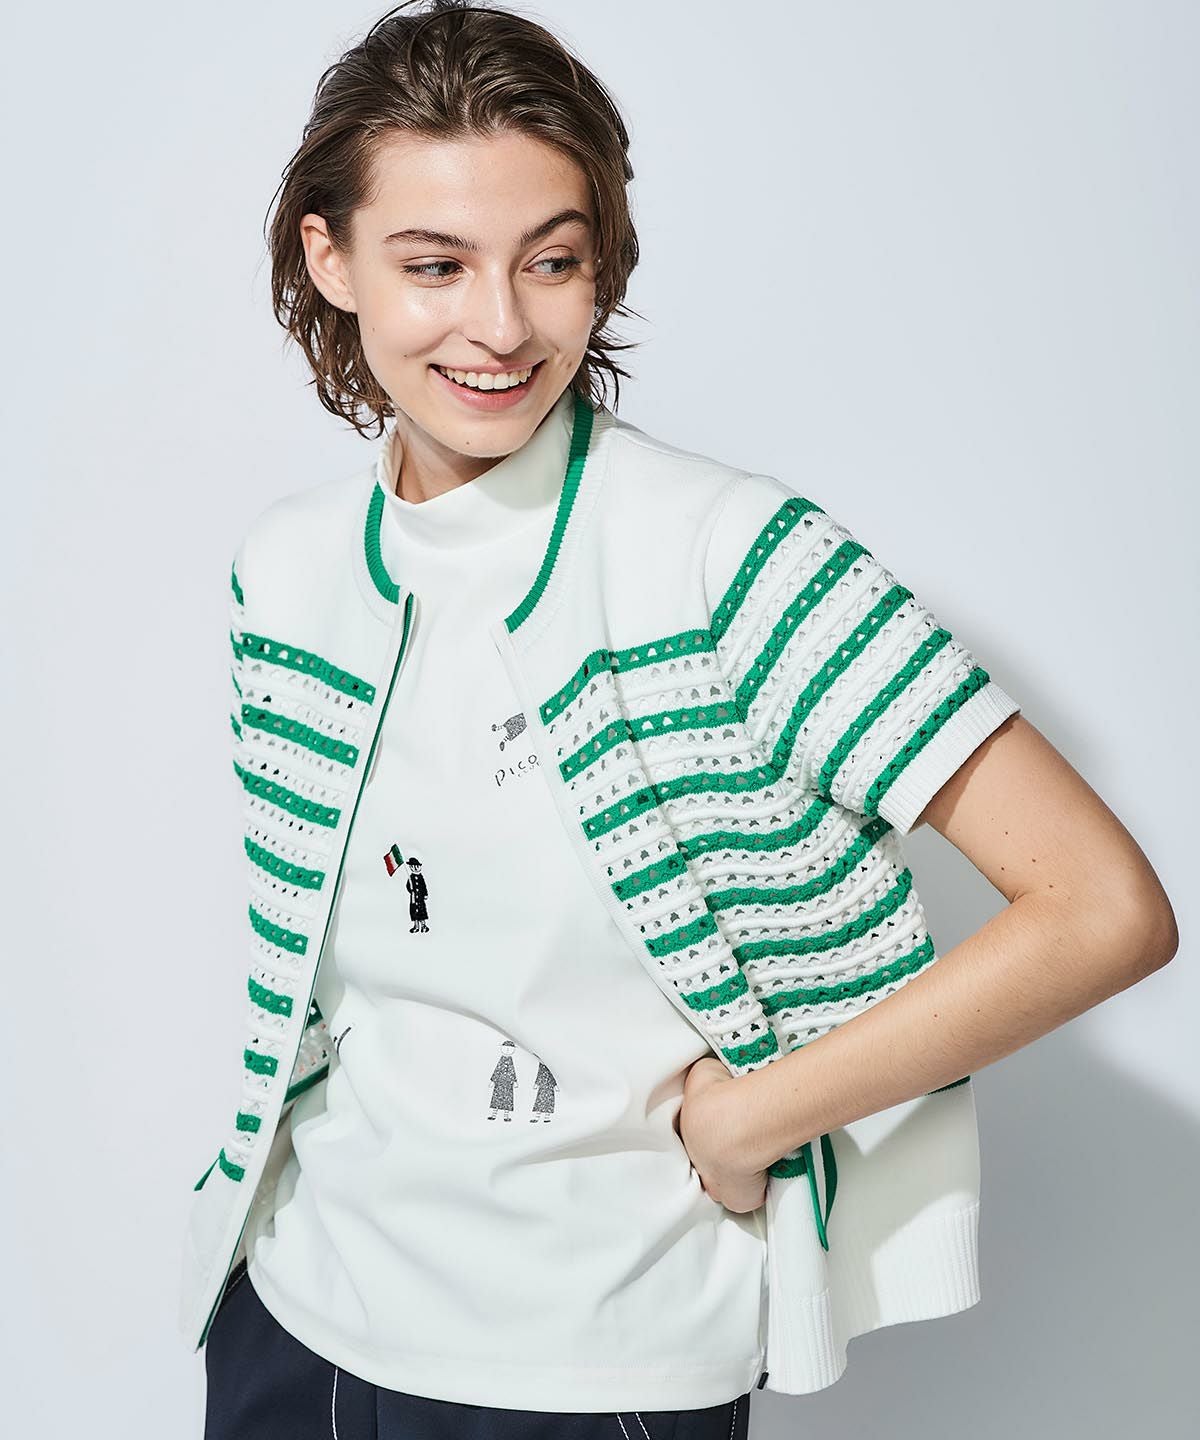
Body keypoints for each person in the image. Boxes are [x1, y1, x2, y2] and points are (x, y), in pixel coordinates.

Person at [184, 3, 1178, 1436]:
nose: (501, 325)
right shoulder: (284, 574)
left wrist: (762, 1112)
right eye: (435, 264)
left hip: (596, 1365)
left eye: (552, 260)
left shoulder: (724, 554)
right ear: (329, 260)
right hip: (296, 1315)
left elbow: (1103, 907)